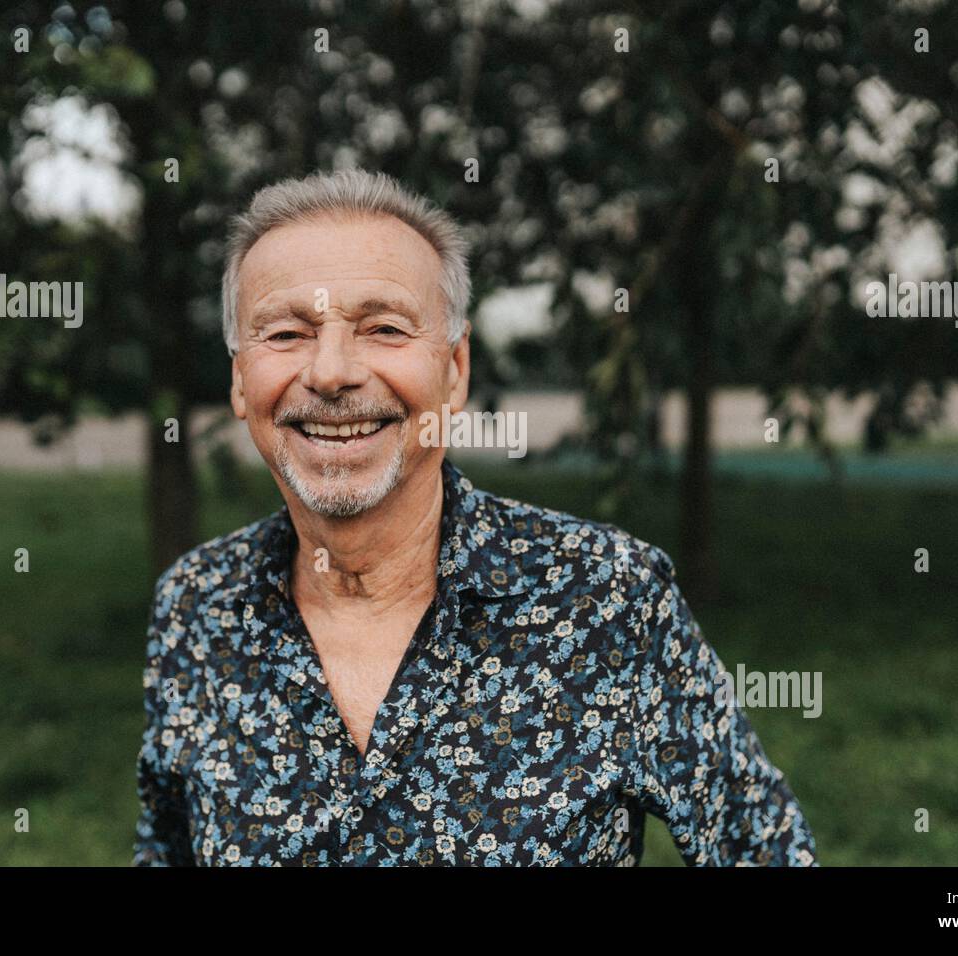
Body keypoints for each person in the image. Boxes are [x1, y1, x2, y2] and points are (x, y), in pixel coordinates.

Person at [133, 168, 817, 866]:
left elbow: (766, 852)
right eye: (285, 333)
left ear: (455, 371)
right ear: (240, 381)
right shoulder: (196, 607)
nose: (332, 372)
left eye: (385, 328)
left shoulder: (611, 598)